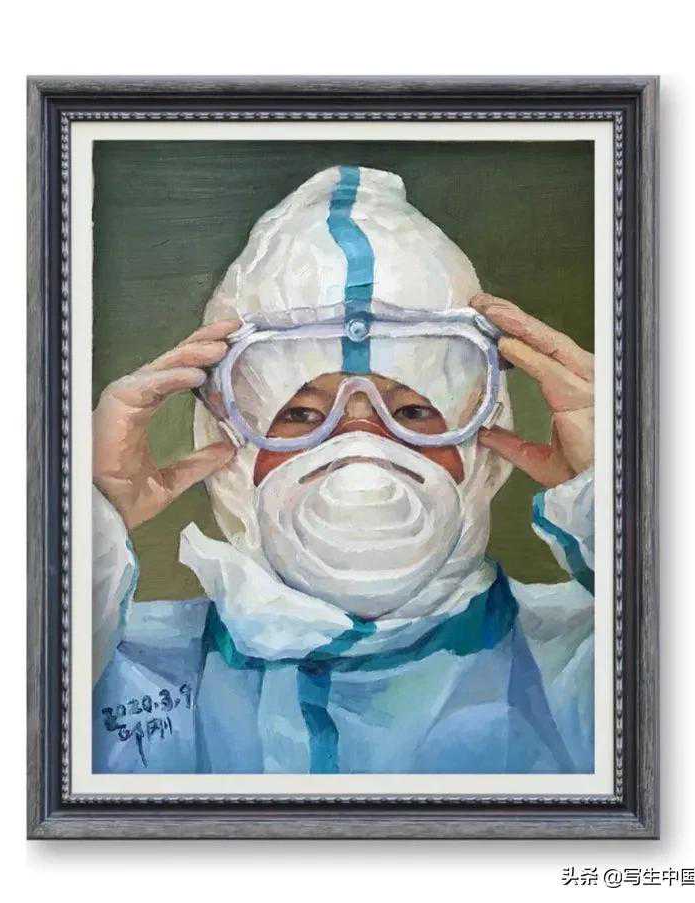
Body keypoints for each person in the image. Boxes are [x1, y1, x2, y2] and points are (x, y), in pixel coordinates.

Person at [92, 165, 595, 775]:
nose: (362, 444)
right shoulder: (117, 672)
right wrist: (86, 517)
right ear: (228, 443)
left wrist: (621, 500)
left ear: (481, 444)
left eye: (412, 411)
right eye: (302, 415)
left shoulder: (589, 664)